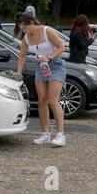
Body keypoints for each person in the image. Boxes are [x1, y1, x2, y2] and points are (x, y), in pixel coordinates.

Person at [15, 13, 67, 147]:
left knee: (52, 99)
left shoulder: (46, 30)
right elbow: (22, 56)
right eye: (22, 29)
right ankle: (45, 134)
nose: (25, 31)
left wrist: (49, 57)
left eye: (26, 27)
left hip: (55, 65)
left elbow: (62, 47)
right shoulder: (26, 37)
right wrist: (18, 72)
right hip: (41, 68)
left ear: (32, 22)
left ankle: (61, 135)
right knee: (42, 100)